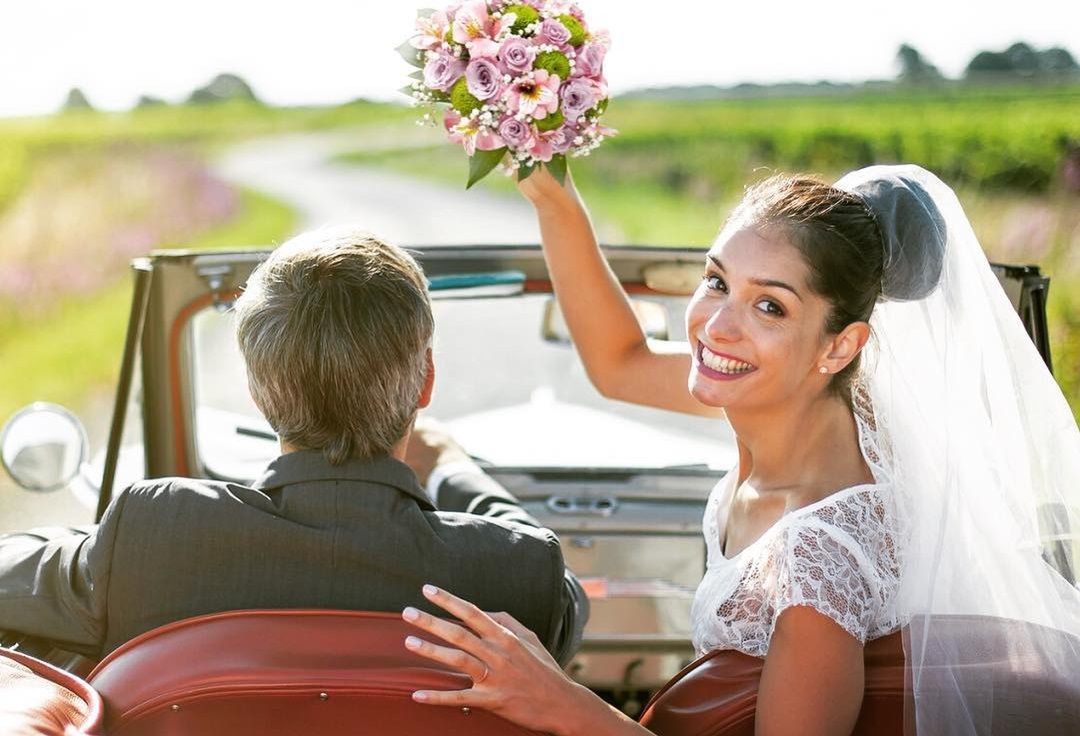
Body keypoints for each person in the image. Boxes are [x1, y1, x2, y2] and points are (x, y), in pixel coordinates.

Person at [401, 165, 1080, 735]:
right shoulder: (804, 396)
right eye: (719, 281)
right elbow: (620, 361)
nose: (717, 327)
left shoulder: (816, 563)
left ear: (841, 346)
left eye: (771, 307)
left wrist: (562, 700)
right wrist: (553, 190)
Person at [0, 226, 585, 664]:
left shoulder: (156, 536)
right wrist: (455, 471)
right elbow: (562, 595)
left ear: (257, 391)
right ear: (426, 380)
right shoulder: (516, 570)